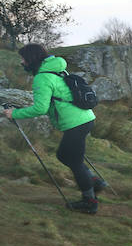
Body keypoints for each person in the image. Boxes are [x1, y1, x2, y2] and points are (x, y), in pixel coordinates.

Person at [4, 44, 105, 214]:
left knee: (74, 161)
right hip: (85, 119)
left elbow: (40, 109)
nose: (21, 62)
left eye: (23, 59)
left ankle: (90, 201)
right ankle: (93, 182)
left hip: (76, 123)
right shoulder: (57, 70)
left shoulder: (42, 78)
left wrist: (15, 113)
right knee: (64, 155)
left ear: (31, 59)